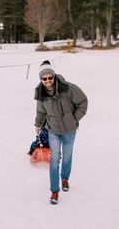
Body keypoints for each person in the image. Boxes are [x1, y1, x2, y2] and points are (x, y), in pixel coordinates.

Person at [34, 60, 88, 204]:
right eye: (44, 79)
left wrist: (74, 119)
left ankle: (64, 179)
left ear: (53, 76)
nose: (47, 81)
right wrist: (38, 124)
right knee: (54, 159)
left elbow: (83, 101)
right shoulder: (41, 93)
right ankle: (54, 191)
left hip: (70, 130)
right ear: (41, 79)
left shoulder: (68, 88)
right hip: (53, 130)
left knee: (67, 157)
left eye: (49, 78)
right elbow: (40, 111)